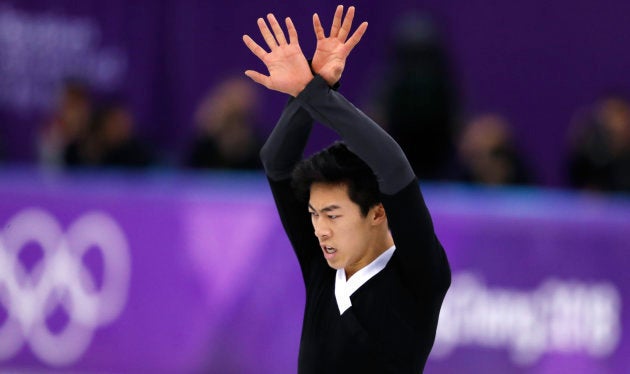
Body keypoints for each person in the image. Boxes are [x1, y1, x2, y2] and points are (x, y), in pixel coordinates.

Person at [243, 5, 451, 373]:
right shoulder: (323, 266)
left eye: (333, 215)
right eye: (314, 215)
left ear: (377, 212)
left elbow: (391, 165)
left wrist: (316, 94)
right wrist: (315, 87)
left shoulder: (419, 277)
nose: (320, 230)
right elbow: (277, 161)